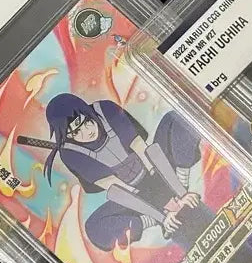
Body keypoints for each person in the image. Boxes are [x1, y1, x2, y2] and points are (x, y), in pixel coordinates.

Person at [42, 93, 214, 252]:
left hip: (156, 168)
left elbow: (145, 152)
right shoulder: (70, 154)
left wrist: (180, 192)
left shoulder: (105, 109)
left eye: (85, 122)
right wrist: (162, 216)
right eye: (75, 132)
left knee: (176, 119)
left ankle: (182, 179)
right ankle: (150, 221)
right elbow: (119, 190)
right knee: (95, 227)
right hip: (132, 194)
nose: (86, 132)